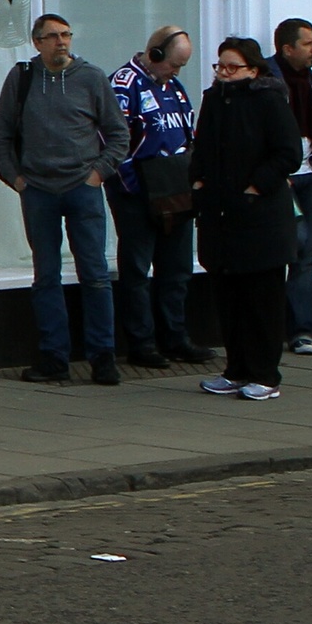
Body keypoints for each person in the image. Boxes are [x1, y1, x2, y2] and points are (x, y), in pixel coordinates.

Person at [0, 12, 128, 385]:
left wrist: (98, 174)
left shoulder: (91, 78)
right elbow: (0, 136)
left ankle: (103, 357)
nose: (61, 42)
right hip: (38, 191)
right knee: (45, 277)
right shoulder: (22, 79)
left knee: (95, 275)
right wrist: (17, 179)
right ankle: (54, 357)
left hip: (82, 189)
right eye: (52, 36)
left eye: (66, 34)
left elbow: (118, 133)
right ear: (37, 42)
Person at [192, 36, 305, 403]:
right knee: (230, 300)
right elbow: (202, 147)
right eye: (219, 67)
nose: (224, 74)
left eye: (232, 67)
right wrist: (198, 181)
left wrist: (255, 187)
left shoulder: (268, 101)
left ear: (253, 70)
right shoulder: (213, 101)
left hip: (261, 220)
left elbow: (288, 153)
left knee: (261, 302)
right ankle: (236, 370)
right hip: (221, 217)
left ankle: (265, 375)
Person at [110, 24, 200, 367]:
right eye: (172, 64)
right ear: (155, 53)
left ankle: (175, 337)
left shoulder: (174, 87)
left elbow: (188, 136)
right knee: (136, 270)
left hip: (175, 191)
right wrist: (134, 187)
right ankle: (141, 344)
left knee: (176, 269)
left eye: (181, 67)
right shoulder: (124, 84)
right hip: (138, 191)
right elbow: (113, 141)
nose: (175, 72)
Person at [272, 18, 312, 357]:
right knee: (286, 249)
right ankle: (271, 328)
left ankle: (302, 332)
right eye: (308, 43)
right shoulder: (268, 79)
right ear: (287, 48)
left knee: (306, 255)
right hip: (280, 179)